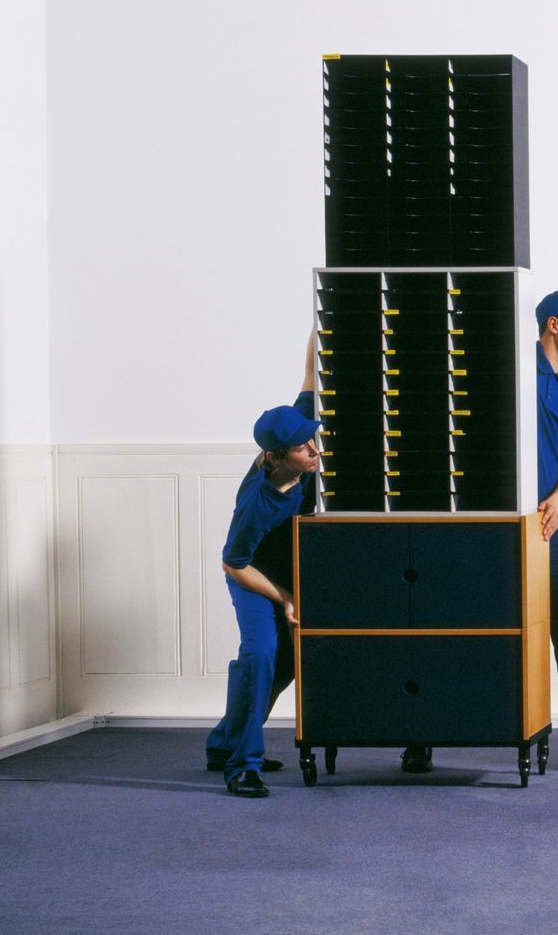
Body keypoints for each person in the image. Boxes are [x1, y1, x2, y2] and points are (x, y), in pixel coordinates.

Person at [400, 286, 558, 775]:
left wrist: (555, 501)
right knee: (451, 628)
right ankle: (420, 736)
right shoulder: (505, 370)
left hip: (543, 527)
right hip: (481, 526)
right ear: (553, 324)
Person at [205, 334, 322, 797]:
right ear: (276, 458)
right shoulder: (258, 502)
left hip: (283, 575)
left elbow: (310, 377)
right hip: (253, 579)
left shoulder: (289, 431)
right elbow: (233, 562)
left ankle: (222, 742)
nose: (314, 450)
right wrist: (285, 597)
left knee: (287, 663)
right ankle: (241, 765)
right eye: (303, 448)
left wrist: (318, 329)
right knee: (259, 655)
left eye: (311, 440)